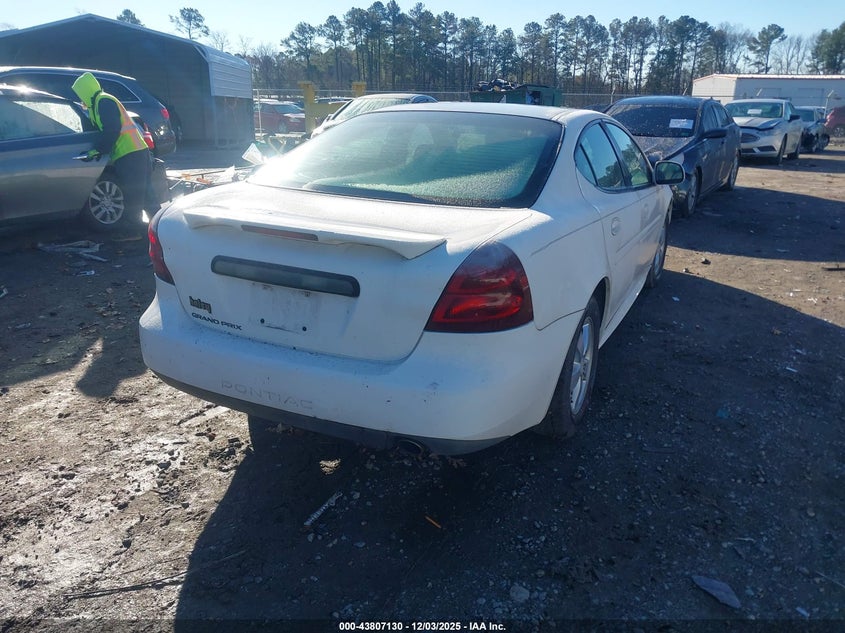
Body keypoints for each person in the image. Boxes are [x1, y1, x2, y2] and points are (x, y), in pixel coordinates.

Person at [71, 71, 156, 223]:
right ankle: (160, 231)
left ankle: (134, 233)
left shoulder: (104, 102)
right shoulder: (95, 105)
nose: (80, 98)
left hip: (130, 154)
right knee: (146, 196)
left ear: (86, 91)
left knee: (133, 197)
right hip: (135, 153)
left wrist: (100, 150)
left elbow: (112, 130)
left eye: (80, 94)